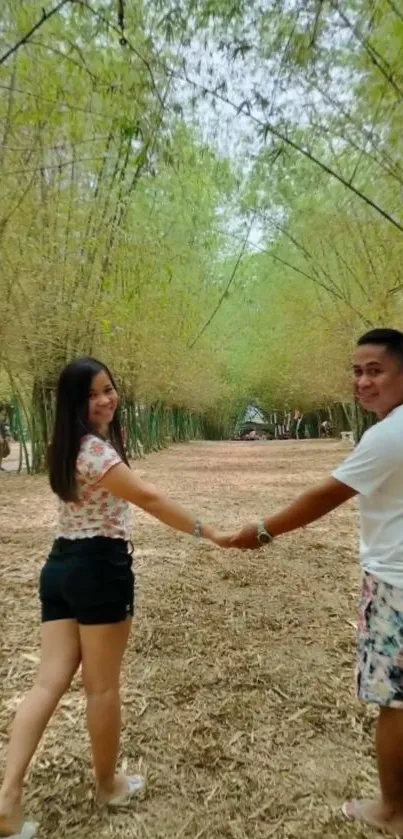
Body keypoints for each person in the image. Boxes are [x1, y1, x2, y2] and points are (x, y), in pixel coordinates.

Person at [0, 358, 230, 839]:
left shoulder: (61, 447)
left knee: (47, 685)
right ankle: (107, 786)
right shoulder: (97, 454)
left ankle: (7, 797)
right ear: (74, 404)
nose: (106, 400)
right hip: (100, 570)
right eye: (93, 394)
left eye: (109, 389)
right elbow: (148, 498)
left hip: (60, 567)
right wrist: (209, 532)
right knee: (101, 688)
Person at [230, 328, 403, 835]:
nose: (363, 382)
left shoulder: (387, 436)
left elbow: (325, 496)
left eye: (375, 370)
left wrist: (260, 532)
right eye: (356, 371)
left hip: (395, 585)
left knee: (393, 701)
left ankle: (392, 810)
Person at [0, 404, 12, 472]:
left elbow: (4, 428)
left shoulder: (2, 420)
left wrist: (8, 436)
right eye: (2, 413)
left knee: (3, 452)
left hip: (2, 439)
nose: (3, 416)